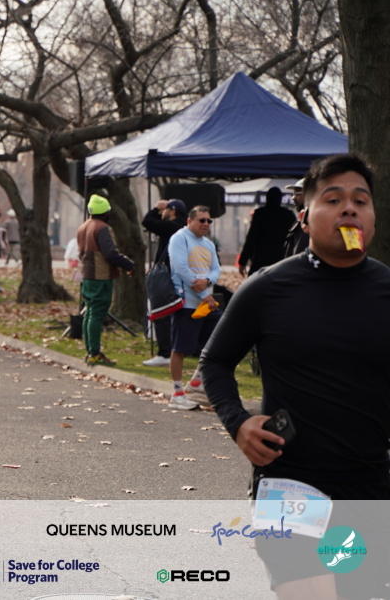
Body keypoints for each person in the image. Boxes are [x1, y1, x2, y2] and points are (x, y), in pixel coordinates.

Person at [202, 153, 389, 600]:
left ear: (372, 218)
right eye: (334, 199)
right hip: (290, 485)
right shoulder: (269, 287)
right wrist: (237, 422)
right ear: (304, 218)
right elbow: (214, 361)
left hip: (369, 486)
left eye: (360, 201)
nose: (349, 209)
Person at [166, 205, 220, 409]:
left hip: (206, 305)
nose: (206, 224)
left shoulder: (209, 244)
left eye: (209, 221)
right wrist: (205, 294)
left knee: (218, 341)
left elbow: (216, 270)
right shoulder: (179, 238)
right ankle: (177, 394)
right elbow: (181, 268)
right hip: (186, 303)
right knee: (180, 349)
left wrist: (208, 281)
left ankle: (196, 382)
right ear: (190, 221)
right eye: (201, 220)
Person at [75, 194, 135, 366]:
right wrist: (128, 264)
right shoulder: (102, 228)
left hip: (87, 275)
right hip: (100, 276)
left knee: (90, 312)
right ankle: (94, 353)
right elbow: (110, 254)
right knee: (96, 313)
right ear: (105, 212)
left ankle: (90, 351)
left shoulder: (83, 227)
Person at [140, 199, 187, 367]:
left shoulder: (171, 227)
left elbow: (147, 222)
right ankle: (177, 350)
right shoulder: (184, 226)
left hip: (166, 275)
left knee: (162, 313)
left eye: (164, 210)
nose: (162, 213)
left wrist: (155, 208)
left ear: (172, 211)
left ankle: (165, 353)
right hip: (180, 275)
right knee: (177, 314)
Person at [238, 186, 296, 277]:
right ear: (280, 199)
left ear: (267, 198)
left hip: (261, 260)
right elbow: (295, 239)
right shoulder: (288, 215)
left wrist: (243, 261)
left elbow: (251, 239)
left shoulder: (260, 214)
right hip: (281, 260)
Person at [282, 178, 308, 257]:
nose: (293, 197)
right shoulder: (301, 219)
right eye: (293, 193)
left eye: (298, 193)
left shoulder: (310, 220)